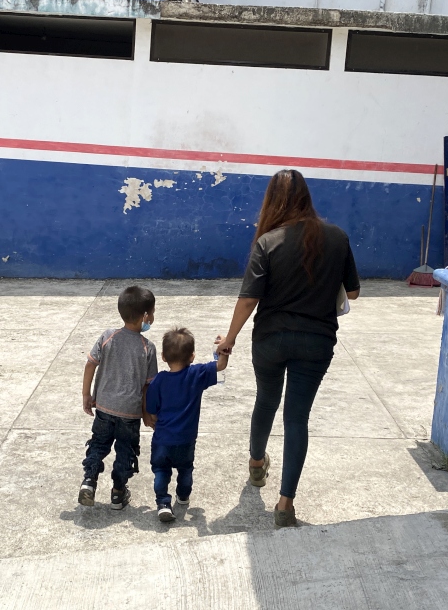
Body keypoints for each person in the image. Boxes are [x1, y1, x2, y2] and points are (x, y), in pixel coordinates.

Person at [217, 169, 361, 528]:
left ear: (272, 200)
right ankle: (285, 504)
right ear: (307, 197)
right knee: (297, 417)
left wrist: (229, 339)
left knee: (266, 399)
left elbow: (249, 299)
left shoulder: (268, 242)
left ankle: (255, 463)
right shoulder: (337, 237)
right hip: (316, 341)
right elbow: (354, 292)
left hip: (270, 339)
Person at [79, 286, 158, 510]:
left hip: (104, 407)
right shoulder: (148, 348)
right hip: (130, 413)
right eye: (152, 313)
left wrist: (87, 394)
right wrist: (146, 413)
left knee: (98, 445)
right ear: (144, 317)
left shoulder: (107, 336)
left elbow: (90, 364)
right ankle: (118, 493)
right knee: (126, 451)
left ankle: (89, 481)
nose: (153, 318)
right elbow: (147, 387)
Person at [145, 328, 229, 523]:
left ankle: (163, 503)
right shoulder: (197, 374)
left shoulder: (158, 381)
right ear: (192, 356)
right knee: (185, 469)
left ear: (163, 357)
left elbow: (151, 411)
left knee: (160, 471)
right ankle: (182, 496)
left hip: (162, 440)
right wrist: (223, 349)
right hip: (186, 439)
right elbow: (221, 366)